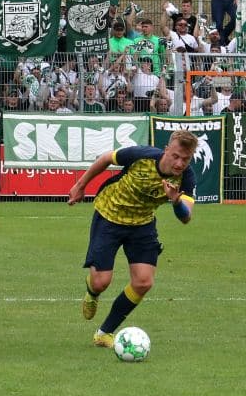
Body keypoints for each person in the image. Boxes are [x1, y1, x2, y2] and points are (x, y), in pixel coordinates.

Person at [67, 131, 197, 347]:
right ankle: (92, 292)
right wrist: (80, 186)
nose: (179, 163)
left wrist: (175, 202)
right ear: (166, 150)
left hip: (142, 224)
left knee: (144, 281)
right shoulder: (142, 155)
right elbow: (106, 158)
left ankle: (104, 333)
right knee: (101, 282)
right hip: (110, 214)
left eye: (186, 159)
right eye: (176, 156)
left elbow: (186, 217)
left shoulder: (186, 177)